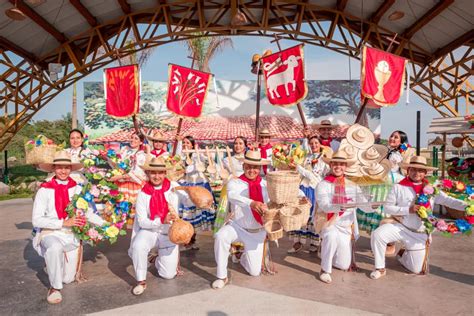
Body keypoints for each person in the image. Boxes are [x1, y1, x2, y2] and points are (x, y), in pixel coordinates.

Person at [370, 156, 467, 279]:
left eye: (420, 170)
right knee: (378, 234)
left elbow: (449, 201)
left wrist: (467, 206)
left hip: (420, 233)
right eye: (413, 169)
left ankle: (403, 254)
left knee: (417, 270)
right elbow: (387, 208)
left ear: (425, 173)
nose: (417, 173)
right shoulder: (398, 187)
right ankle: (380, 268)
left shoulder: (432, 190)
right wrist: (407, 210)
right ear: (408, 170)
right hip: (402, 227)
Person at [33, 151, 105, 304]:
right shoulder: (44, 190)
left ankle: (56, 268)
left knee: (68, 279)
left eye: (66, 167)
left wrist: (105, 225)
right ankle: (54, 287)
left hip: (71, 236)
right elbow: (36, 220)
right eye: (59, 167)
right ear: (53, 168)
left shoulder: (78, 189)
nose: (63, 171)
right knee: (54, 247)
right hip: (51, 232)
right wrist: (63, 223)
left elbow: (88, 212)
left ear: (71, 169)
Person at [212, 150, 270, 289]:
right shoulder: (235, 182)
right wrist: (251, 203)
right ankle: (222, 276)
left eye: (255, 167)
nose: (252, 170)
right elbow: (232, 196)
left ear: (259, 168)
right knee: (221, 236)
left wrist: (301, 196)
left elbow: (280, 195)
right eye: (248, 166)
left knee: (255, 272)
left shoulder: (266, 184)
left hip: (257, 231)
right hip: (237, 227)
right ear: (243, 166)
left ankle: (243, 257)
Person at [315, 150, 373, 284]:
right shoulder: (323, 184)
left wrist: (373, 205)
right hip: (329, 222)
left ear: (346, 166)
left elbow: (363, 205)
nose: (338, 167)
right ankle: (325, 270)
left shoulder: (353, 185)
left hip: (346, 227)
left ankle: (325, 250)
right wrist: (339, 206)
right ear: (330, 165)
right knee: (331, 236)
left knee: (343, 265)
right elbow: (324, 206)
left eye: (341, 164)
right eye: (335, 163)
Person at [128, 157, 181, 295]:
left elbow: (188, 198)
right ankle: (141, 280)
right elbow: (142, 221)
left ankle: (156, 259)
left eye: (160, 173)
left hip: (168, 233)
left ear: (165, 173)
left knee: (168, 275)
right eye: (153, 173)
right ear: (148, 174)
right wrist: (161, 221)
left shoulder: (173, 188)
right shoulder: (143, 194)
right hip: (149, 230)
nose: (157, 176)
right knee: (139, 246)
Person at [288, 135, 331, 253]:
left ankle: (314, 242)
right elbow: (302, 173)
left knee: (314, 216)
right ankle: (298, 242)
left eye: (316, 143)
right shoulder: (306, 157)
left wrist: (299, 168)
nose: (314, 145)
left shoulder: (324, 159)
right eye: (312, 143)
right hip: (303, 188)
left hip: (315, 189)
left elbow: (315, 176)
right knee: (300, 214)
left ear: (320, 144)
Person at [176, 135, 215, 249]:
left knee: (197, 214)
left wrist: (205, 153)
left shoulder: (198, 156)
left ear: (192, 145)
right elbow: (177, 159)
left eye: (188, 143)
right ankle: (186, 240)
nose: (185, 145)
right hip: (187, 187)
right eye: (184, 143)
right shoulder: (182, 157)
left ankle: (192, 240)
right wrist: (179, 144)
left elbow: (208, 161)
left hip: (199, 186)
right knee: (188, 216)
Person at [109, 132, 147, 228]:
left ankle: (136, 235)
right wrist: (107, 158)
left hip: (134, 185)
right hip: (122, 184)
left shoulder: (141, 155)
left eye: (136, 139)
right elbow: (117, 165)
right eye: (132, 138)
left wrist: (120, 177)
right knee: (120, 211)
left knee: (134, 212)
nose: (133, 140)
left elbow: (136, 173)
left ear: (141, 142)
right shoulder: (124, 150)